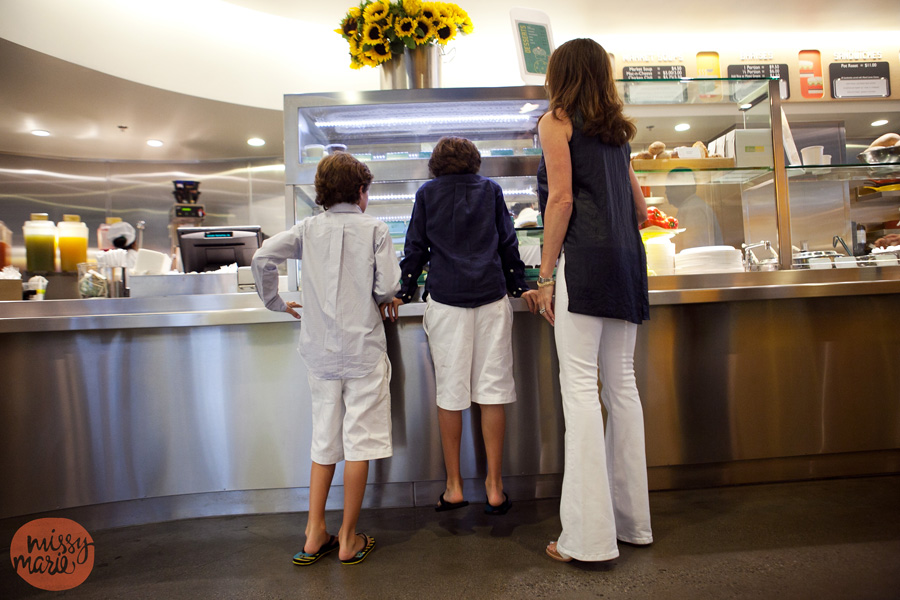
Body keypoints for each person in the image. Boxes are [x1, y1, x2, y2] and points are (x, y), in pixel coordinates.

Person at [532, 38, 653, 563]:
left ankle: (587, 540)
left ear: (560, 74)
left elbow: (560, 199)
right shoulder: (617, 131)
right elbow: (641, 210)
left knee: (580, 390)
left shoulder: (556, 122)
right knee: (622, 386)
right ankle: (632, 525)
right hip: (627, 262)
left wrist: (545, 275)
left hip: (584, 261)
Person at [251, 152, 400, 566]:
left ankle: (315, 531)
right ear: (361, 191)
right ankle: (348, 539)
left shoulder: (307, 229)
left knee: (324, 440)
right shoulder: (376, 229)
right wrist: (383, 297)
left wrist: (275, 301)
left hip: (320, 353)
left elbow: (262, 257)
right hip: (363, 351)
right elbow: (388, 286)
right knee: (359, 443)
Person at [383, 136, 539, 515]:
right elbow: (508, 245)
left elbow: (415, 248)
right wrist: (522, 286)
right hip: (490, 298)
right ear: (475, 161)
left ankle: (454, 487)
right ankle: (495, 487)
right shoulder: (491, 191)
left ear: (435, 165)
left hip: (447, 301)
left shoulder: (427, 194)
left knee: (451, 394)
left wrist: (403, 292)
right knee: (492, 392)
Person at [665, 169, 722, 251]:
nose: (666, 192)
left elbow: (694, 249)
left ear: (685, 187)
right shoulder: (690, 206)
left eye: (670, 187)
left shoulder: (694, 209)